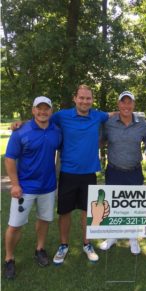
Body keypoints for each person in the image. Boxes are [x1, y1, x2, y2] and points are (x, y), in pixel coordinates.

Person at [52, 84, 113, 264]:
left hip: (88, 174)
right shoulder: (62, 115)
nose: (85, 101)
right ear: (75, 98)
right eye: (82, 98)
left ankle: (87, 244)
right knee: (65, 211)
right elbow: (42, 120)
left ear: (92, 100)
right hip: (68, 172)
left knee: (89, 212)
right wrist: (19, 124)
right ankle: (64, 245)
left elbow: (113, 114)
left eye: (88, 98)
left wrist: (132, 114)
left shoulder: (97, 115)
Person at [4, 96, 62, 279]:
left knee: (44, 220)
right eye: (39, 108)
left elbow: (60, 151)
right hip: (25, 188)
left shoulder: (56, 131)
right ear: (33, 110)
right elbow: (10, 158)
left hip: (48, 187)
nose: (43, 112)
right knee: (15, 225)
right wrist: (14, 184)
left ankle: (40, 249)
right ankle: (9, 259)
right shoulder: (21, 131)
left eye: (46, 109)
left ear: (51, 111)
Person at [99, 91, 146, 254]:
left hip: (134, 171)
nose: (126, 106)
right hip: (114, 171)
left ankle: (133, 239)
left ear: (133, 105)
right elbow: (100, 141)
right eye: (123, 102)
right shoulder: (109, 123)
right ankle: (112, 236)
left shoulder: (143, 124)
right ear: (118, 104)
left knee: (133, 207)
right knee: (113, 205)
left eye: (129, 102)